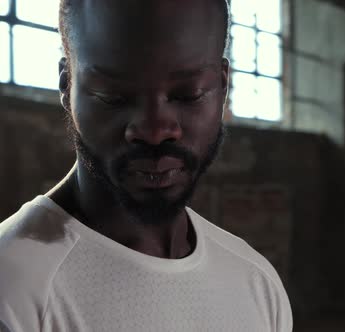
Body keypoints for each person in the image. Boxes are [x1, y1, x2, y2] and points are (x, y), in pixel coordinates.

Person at [0, 0, 292, 331]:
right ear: (67, 87)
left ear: (222, 86)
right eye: (113, 97)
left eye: (188, 94)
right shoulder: (13, 290)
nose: (155, 131)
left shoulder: (256, 283)